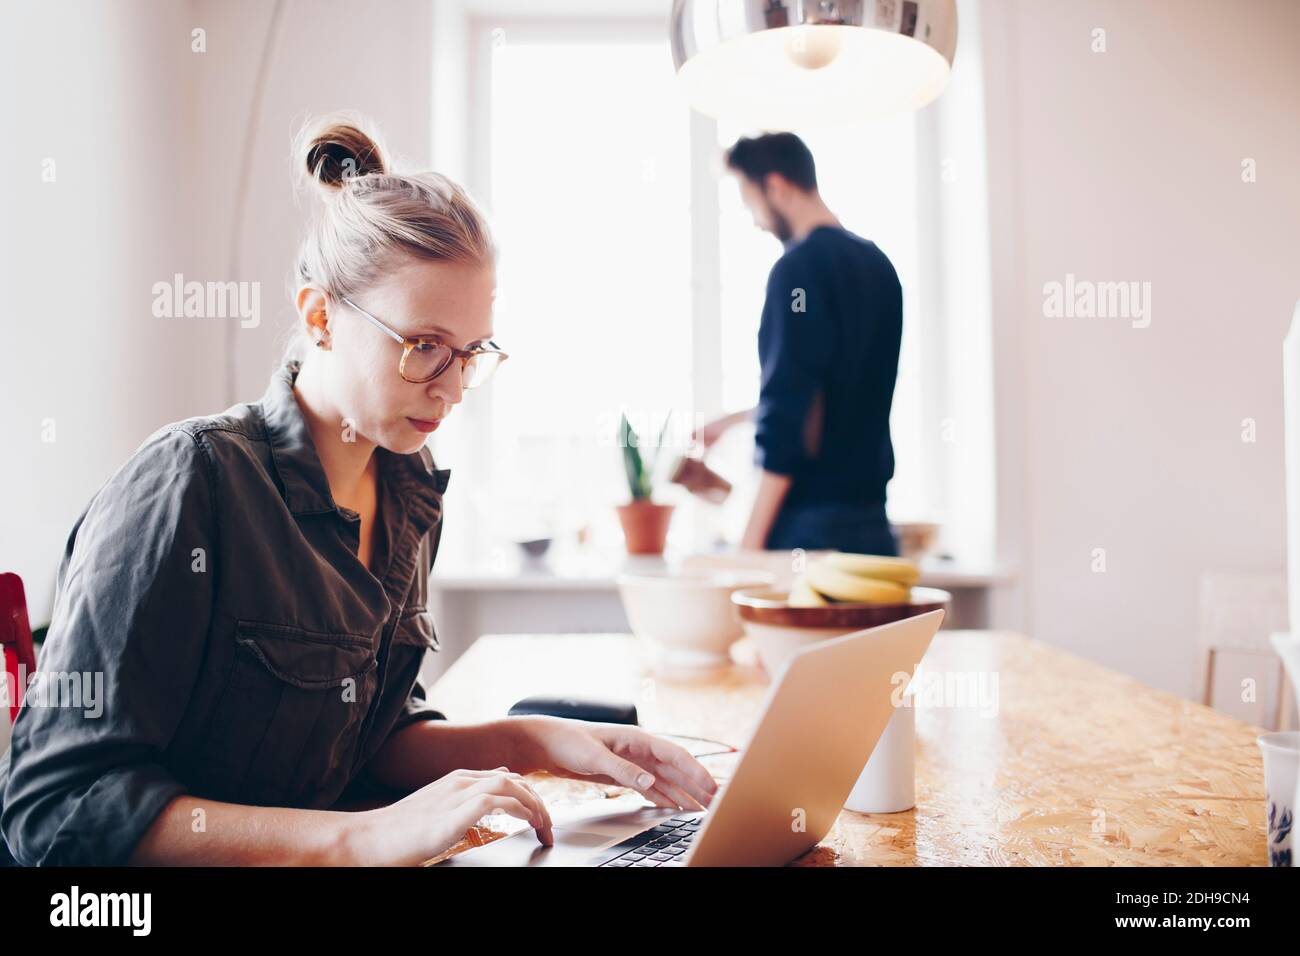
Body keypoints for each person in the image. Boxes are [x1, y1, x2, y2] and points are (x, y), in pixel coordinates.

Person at [0, 117, 716, 867]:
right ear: (321, 319)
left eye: (471, 354)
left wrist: (538, 743)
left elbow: (366, 743)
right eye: (424, 347)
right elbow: (56, 810)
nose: (452, 387)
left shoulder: (408, 490)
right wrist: (360, 839)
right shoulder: (190, 483)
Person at [698, 132, 905, 557]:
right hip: (874, 529)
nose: (755, 219)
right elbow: (827, 393)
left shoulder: (797, 271)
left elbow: (790, 418)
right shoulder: (880, 267)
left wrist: (750, 545)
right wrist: (735, 420)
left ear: (776, 186)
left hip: (810, 535)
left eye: (749, 201)